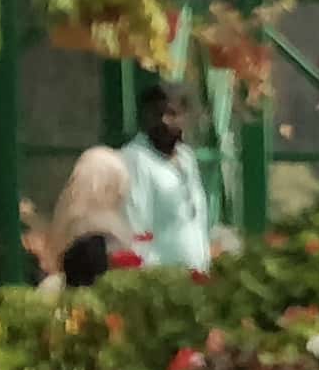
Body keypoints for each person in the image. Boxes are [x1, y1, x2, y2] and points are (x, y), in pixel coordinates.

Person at [53, 79, 216, 277]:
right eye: (156, 114)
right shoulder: (136, 159)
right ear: (144, 117)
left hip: (196, 276)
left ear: (185, 117)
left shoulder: (186, 157)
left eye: (172, 113)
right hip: (159, 279)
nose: (164, 121)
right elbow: (137, 230)